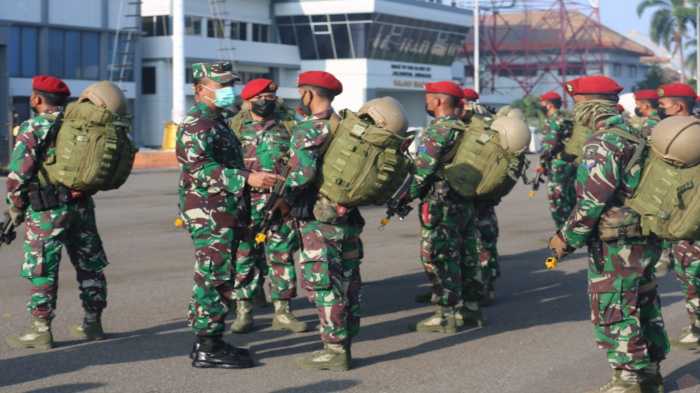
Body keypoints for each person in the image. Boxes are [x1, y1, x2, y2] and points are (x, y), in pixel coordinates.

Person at [549, 75, 668, 392]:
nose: (576, 112)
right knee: (643, 301)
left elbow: (592, 201)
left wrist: (565, 238)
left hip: (618, 241)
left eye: (578, 104)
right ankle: (650, 370)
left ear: (589, 105)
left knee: (613, 304)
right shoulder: (638, 133)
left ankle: (630, 377)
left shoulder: (602, 142)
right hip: (645, 233)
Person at [177, 62, 279, 369]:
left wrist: (249, 173)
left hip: (222, 209)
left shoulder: (217, 121)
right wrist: (246, 178)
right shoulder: (197, 124)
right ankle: (208, 345)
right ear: (200, 90)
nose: (228, 91)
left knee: (220, 274)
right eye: (220, 86)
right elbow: (198, 168)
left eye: (229, 84)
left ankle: (210, 340)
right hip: (209, 211)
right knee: (213, 275)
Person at [5, 76, 110, 350]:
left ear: (36, 99)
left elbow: (19, 175)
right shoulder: (81, 125)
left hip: (47, 210)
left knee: (42, 269)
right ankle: (93, 322)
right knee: (89, 264)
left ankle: (40, 330)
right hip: (82, 206)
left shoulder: (33, 127)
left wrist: (15, 207)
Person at [280, 70, 363, 371]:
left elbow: (302, 175)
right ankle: (347, 339)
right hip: (348, 217)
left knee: (323, 282)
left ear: (308, 94)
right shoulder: (343, 126)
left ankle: (334, 349)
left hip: (320, 220)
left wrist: (283, 196)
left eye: (301, 91)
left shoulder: (310, 128)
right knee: (349, 280)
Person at [229, 78, 306, 334]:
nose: (267, 102)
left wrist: (290, 194)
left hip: (280, 201)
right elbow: (225, 165)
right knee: (244, 257)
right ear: (249, 100)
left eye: (271, 98)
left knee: (281, 255)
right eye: (262, 98)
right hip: (246, 201)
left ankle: (282, 311)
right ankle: (244, 311)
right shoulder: (235, 127)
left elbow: (300, 160)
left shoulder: (288, 124)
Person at [409, 81, 484, 333]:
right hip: (465, 202)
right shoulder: (466, 129)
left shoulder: (437, 131)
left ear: (439, 101)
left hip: (440, 205)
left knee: (438, 256)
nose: (426, 101)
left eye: (429, 97)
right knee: (467, 254)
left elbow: (422, 170)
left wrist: (404, 196)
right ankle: (471, 309)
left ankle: (445, 314)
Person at [656, 83, 700, 348]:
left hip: (691, 220)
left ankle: (697, 327)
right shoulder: (677, 134)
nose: (662, 110)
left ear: (679, 106)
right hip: (683, 217)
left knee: (691, 272)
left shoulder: (686, 137)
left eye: (665, 105)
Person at [538, 91, 575, 231]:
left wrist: (542, 163)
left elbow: (549, 145)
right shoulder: (566, 118)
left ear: (548, 104)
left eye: (542, 103)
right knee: (569, 197)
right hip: (570, 164)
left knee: (557, 200)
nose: (541, 106)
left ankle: (564, 230)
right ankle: (572, 228)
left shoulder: (555, 120)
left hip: (558, 165)